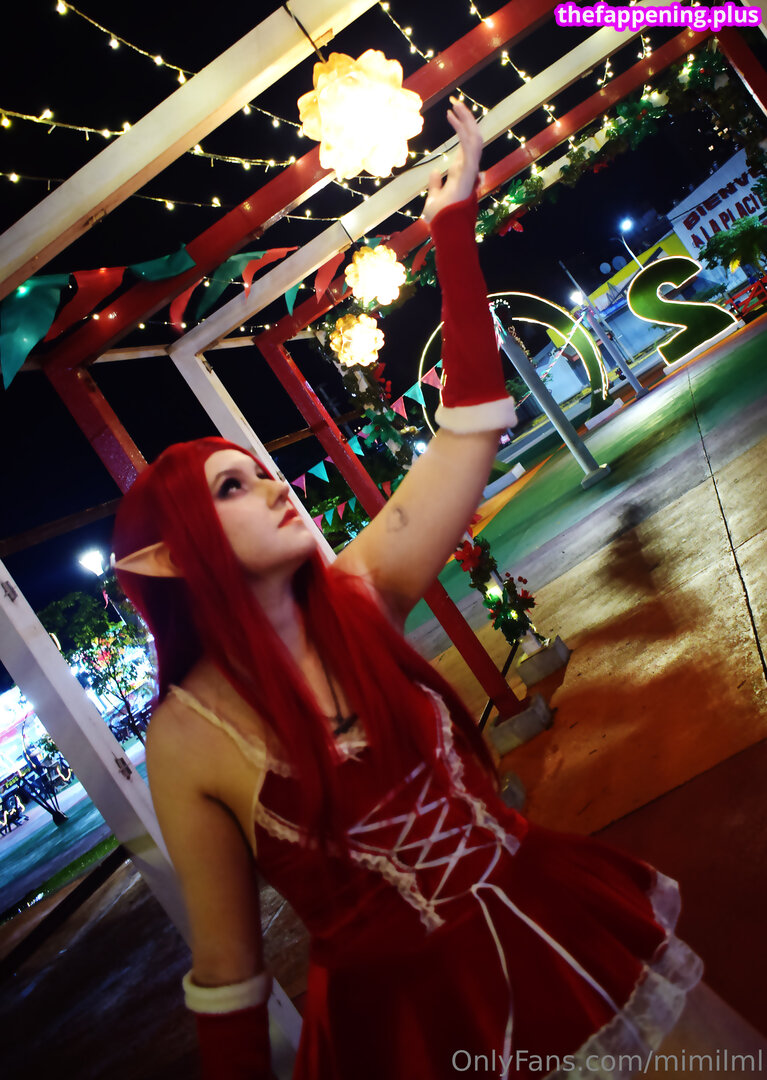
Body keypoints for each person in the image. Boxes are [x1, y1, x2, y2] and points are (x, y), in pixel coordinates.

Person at [112, 102, 764, 1079]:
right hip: (418, 1028)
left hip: (558, 926)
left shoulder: (358, 592)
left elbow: (470, 421)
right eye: (231, 489)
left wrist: (451, 228)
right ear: (168, 560)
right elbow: (230, 976)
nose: (275, 486)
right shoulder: (188, 737)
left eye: (259, 469)